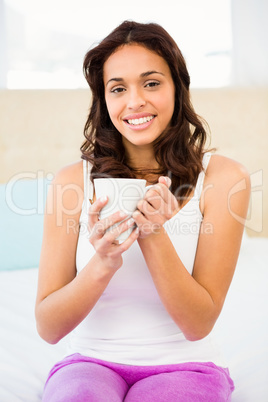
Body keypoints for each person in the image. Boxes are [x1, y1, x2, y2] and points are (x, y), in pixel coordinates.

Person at [35, 20, 250, 401]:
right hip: (88, 364)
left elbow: (198, 324)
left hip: (187, 367)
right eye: (118, 89)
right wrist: (102, 262)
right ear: (104, 100)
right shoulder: (70, 182)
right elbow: (49, 327)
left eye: (151, 83)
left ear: (177, 88)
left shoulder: (224, 178)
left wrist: (153, 234)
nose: (135, 101)